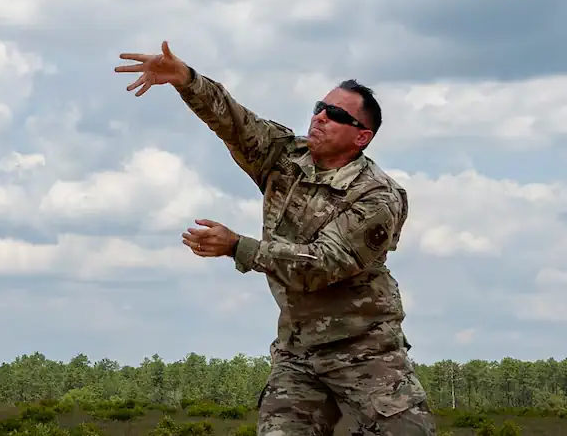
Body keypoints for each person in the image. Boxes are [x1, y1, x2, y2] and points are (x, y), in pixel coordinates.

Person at [114, 41, 435, 436]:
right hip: (298, 355)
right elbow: (235, 121)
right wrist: (186, 80)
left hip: (365, 354)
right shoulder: (286, 159)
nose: (319, 117)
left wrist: (238, 247)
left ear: (361, 137)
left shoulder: (377, 197)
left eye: (334, 115)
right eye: (319, 106)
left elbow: (321, 265)